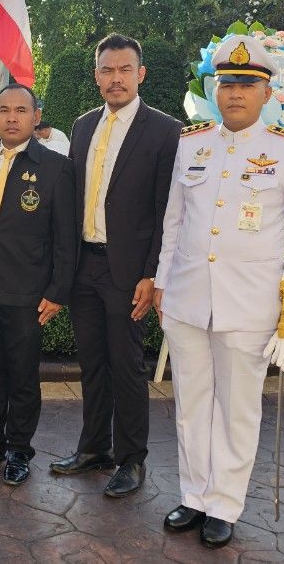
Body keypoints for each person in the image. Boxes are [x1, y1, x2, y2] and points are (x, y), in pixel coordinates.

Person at [153, 35, 284, 548]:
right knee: (191, 406)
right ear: (214, 90)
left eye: (247, 85)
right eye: (227, 83)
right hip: (188, 300)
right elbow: (173, 221)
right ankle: (194, 496)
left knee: (237, 409)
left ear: (266, 92)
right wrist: (163, 281)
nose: (235, 93)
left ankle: (224, 504)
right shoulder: (192, 144)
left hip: (249, 306)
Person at [50, 33, 181, 497]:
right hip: (85, 265)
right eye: (107, 70)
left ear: (140, 74)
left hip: (129, 272)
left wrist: (153, 274)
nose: (116, 78)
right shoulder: (83, 125)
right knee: (92, 363)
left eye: (125, 69)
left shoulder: (165, 130)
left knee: (126, 366)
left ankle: (131, 458)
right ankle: (93, 448)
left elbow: (168, 209)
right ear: (97, 76)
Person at [0, 84, 76, 485]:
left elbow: (65, 239)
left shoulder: (56, 168)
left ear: (35, 117)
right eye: (3, 109)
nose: (11, 117)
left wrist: (57, 291)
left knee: (22, 374)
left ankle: (19, 449)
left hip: (28, 293)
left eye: (20, 110)